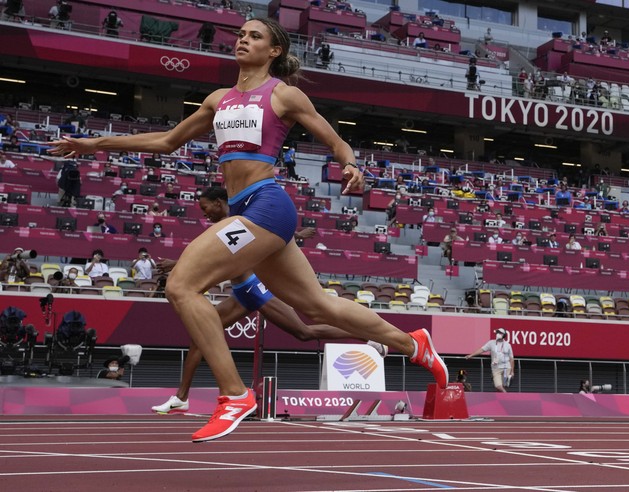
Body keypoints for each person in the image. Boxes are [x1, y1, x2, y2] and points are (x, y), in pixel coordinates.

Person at [49, 17, 448, 443]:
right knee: (317, 308)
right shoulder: (218, 99)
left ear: (274, 50)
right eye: (240, 33)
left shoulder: (283, 94)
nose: (243, 39)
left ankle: (234, 395)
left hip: (267, 206)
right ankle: (413, 344)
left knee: (182, 285)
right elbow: (167, 141)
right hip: (246, 209)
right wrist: (96, 144)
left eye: (254, 35)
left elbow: (335, 140)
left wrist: (349, 164)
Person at [152, 187, 386, 414]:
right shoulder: (224, 227)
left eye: (205, 208)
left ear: (218, 203)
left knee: (303, 332)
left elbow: (260, 239)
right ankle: (181, 398)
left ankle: (367, 336)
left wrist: (175, 265)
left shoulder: (238, 220)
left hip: (256, 289)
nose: (204, 213)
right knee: (199, 337)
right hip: (241, 294)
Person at [465, 327, 514, 392]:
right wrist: (471, 355)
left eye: (499, 333)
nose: (497, 334)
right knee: (498, 386)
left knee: (503, 386)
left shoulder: (508, 345)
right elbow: (481, 350)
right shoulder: (491, 343)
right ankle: (507, 396)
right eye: (497, 332)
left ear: (503, 335)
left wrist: (512, 371)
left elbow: (511, 359)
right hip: (496, 368)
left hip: (506, 368)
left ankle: (501, 399)